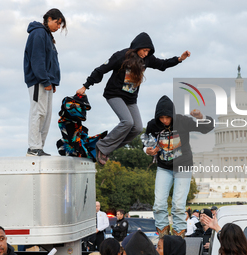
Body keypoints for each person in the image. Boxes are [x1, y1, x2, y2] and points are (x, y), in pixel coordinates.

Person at [76, 32, 191, 166]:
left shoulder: (147, 59)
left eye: (148, 51)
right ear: (138, 47)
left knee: (137, 128)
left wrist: (179, 59)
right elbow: (102, 69)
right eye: (144, 50)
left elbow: (162, 64)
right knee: (127, 122)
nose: (145, 54)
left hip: (130, 99)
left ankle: (107, 149)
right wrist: (86, 86)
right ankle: (101, 146)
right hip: (114, 94)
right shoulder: (121, 56)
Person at [143, 95, 214, 237]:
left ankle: (178, 239)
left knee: (178, 206)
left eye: (167, 118)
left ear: (172, 115)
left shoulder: (183, 121)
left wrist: (200, 116)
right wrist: (147, 150)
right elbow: (145, 140)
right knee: (158, 205)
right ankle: (163, 236)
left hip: (183, 167)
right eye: (161, 118)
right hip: (164, 167)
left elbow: (207, 127)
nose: (164, 121)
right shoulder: (153, 125)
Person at [24, 8, 67, 156]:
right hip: (38, 81)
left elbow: (50, 62)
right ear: (49, 19)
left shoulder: (47, 36)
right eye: (57, 22)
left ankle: (39, 147)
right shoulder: (38, 33)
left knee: (46, 115)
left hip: (47, 82)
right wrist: (44, 80)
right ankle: (33, 148)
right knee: (38, 113)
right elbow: (37, 60)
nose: (58, 26)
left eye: (60, 24)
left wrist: (52, 82)